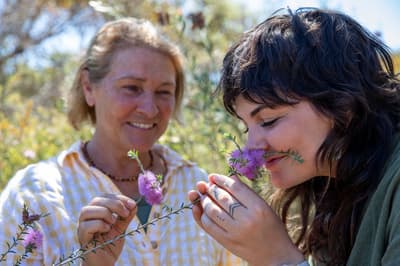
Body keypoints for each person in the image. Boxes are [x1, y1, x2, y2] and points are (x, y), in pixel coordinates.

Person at [0, 18, 243, 265]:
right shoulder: (33, 195)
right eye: (131, 88)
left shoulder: (198, 188)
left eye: (163, 92)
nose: (149, 109)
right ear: (88, 88)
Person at [188, 7, 400, 266]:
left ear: (343, 107)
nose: (252, 146)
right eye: (246, 127)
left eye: (268, 121)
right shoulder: (333, 193)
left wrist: (278, 258)